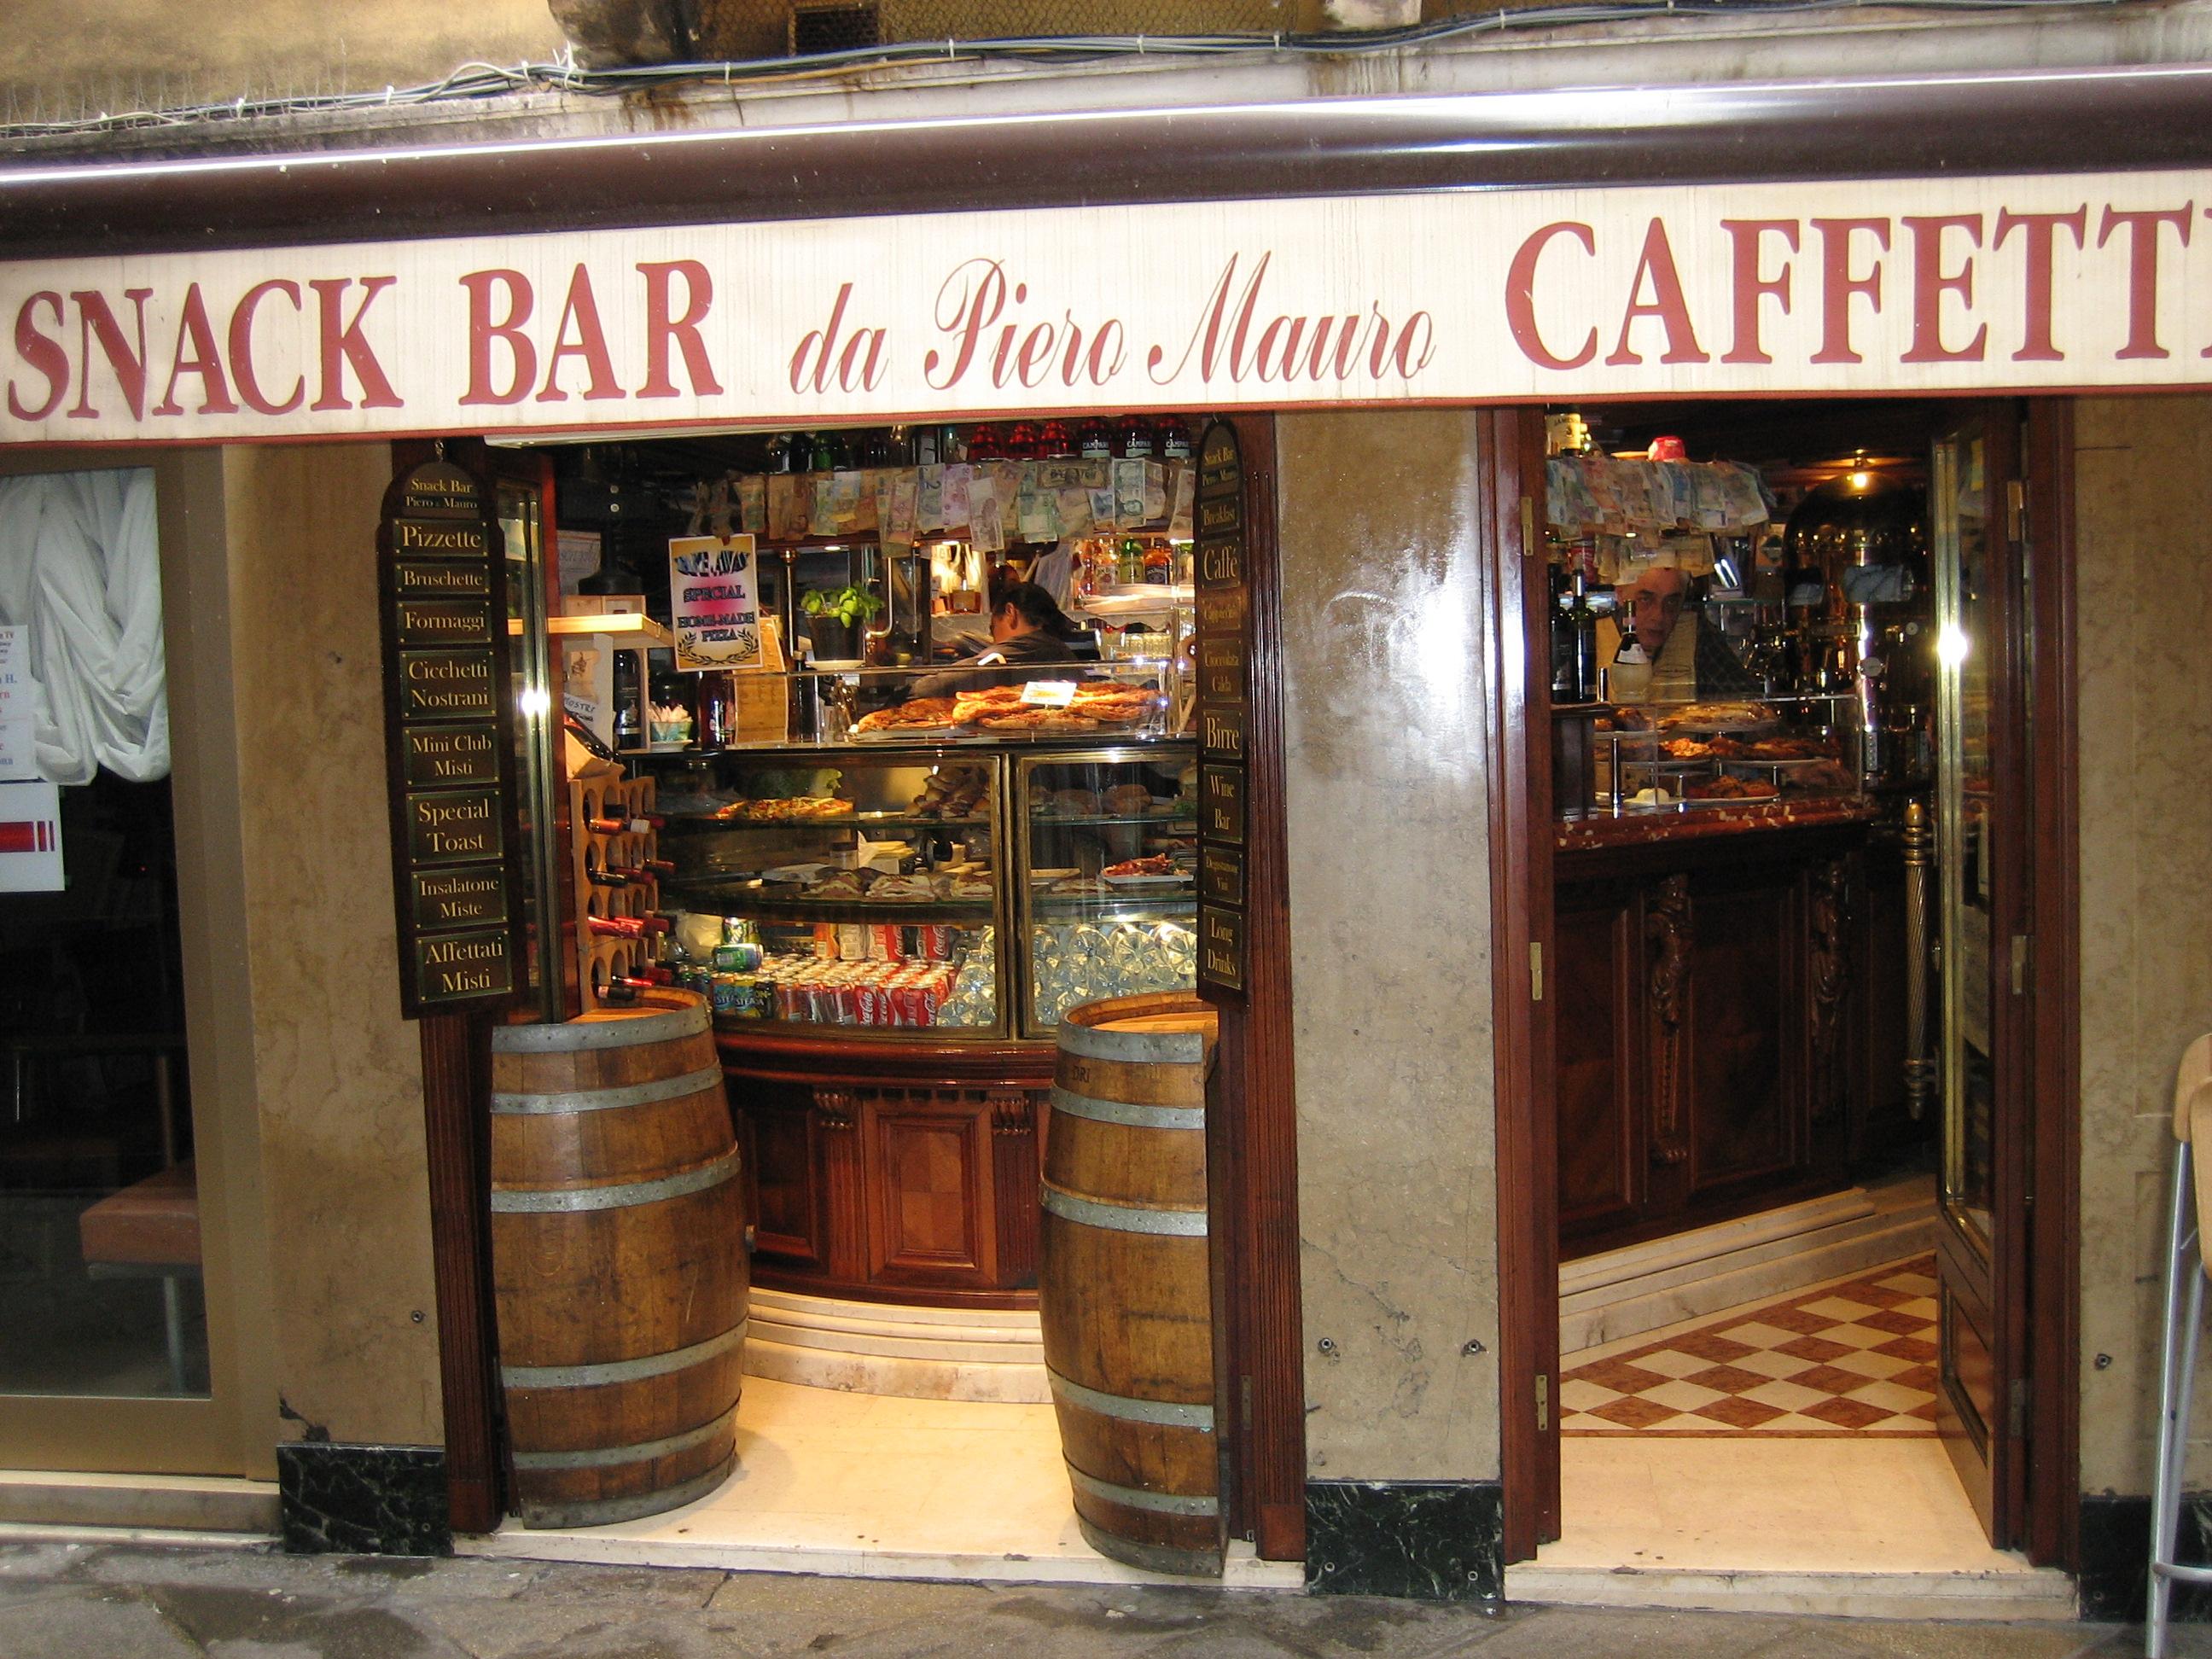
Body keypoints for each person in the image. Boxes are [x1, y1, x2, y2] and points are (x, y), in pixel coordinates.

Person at [1612, 565, 1762, 699]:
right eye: (1645, 600)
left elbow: (1746, 701)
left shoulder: (1696, 634)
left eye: (1671, 602)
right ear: (1620, 594)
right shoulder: (1599, 635)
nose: (1659, 616)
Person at [912, 582, 1083, 698]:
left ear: (1010, 612)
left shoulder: (1005, 654)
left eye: (993, 628)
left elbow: (928, 689)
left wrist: (908, 691)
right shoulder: (1063, 652)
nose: (994, 640)